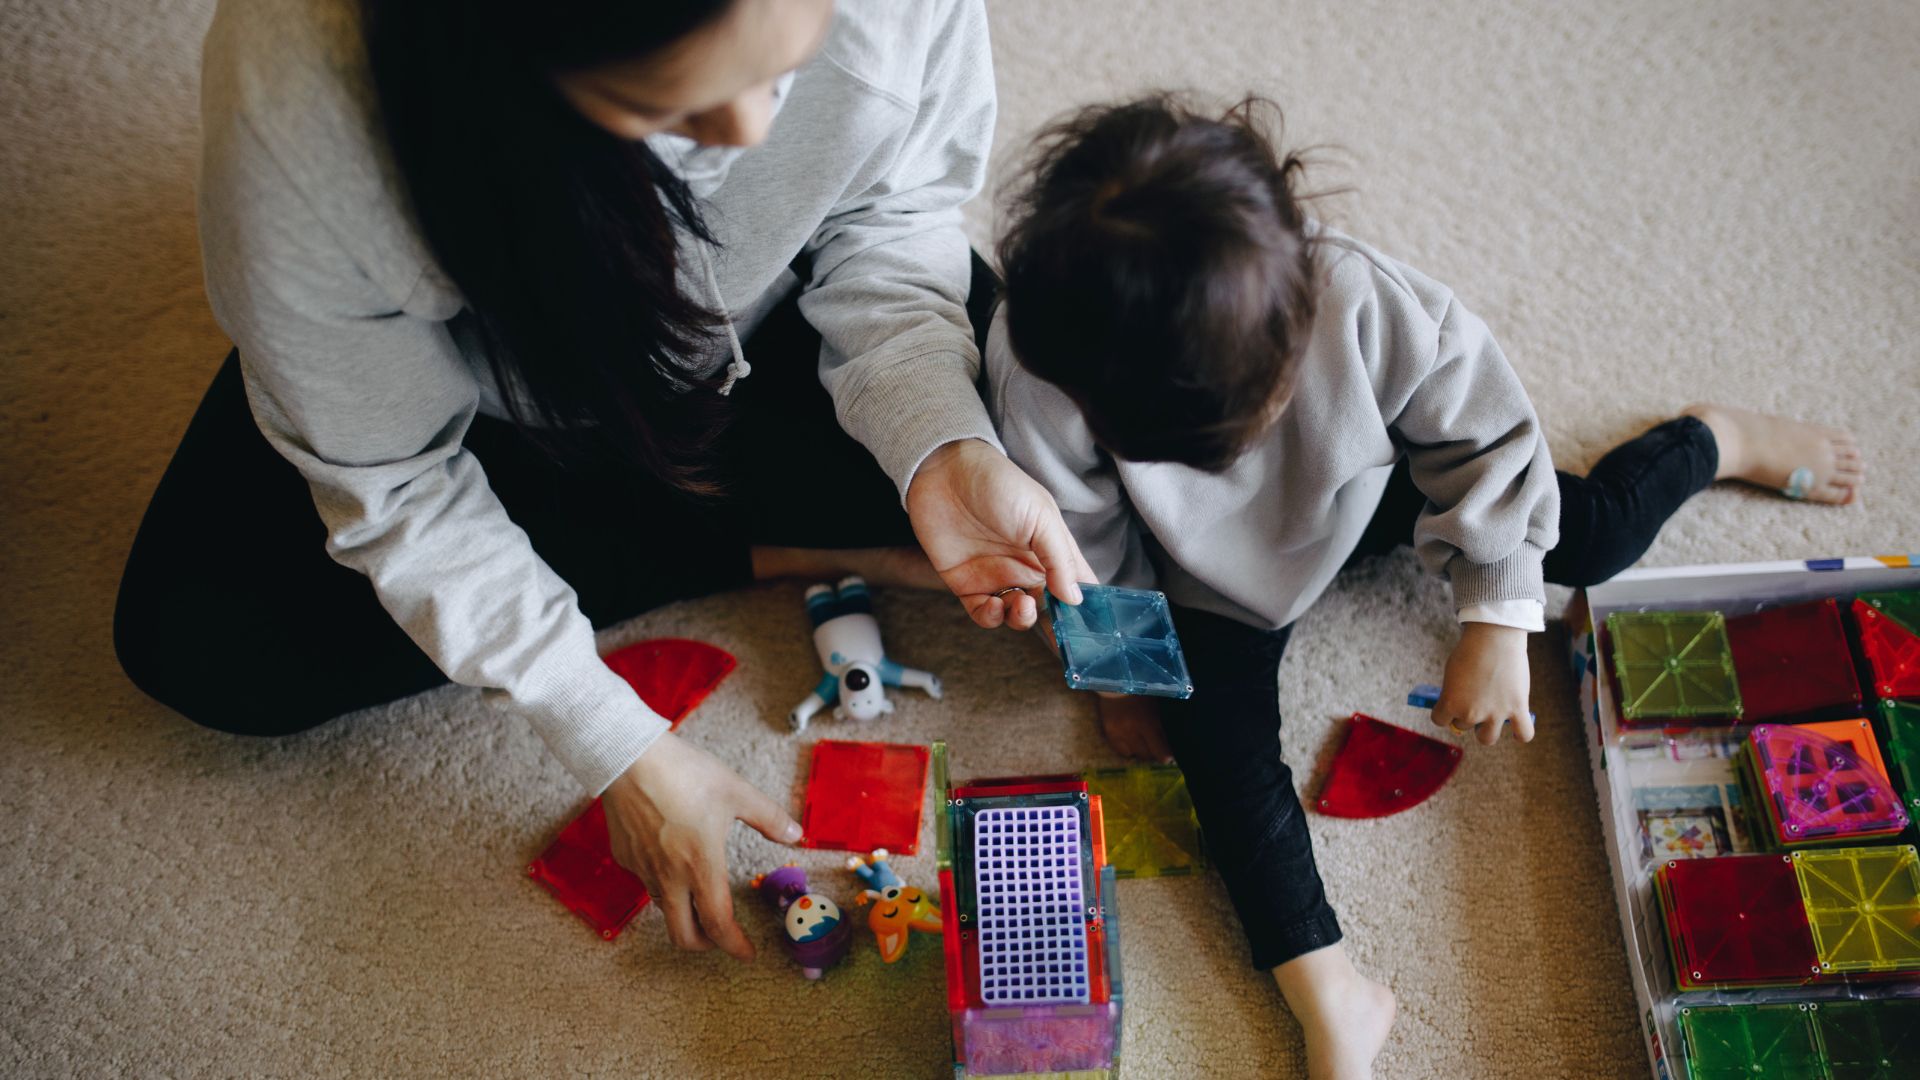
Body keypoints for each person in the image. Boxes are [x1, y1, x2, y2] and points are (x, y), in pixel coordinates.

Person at [113, 0, 1094, 967]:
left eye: (787, 66)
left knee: (1060, 420)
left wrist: (938, 443)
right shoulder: (301, 119)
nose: (755, 132)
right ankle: (767, 542)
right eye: (678, 112)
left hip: (765, 332)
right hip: (499, 401)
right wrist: (612, 739)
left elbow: (891, 209)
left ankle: (737, 533)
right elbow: (395, 480)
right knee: (203, 643)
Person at [984, 95, 1863, 1080]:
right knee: (1218, 759)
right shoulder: (1039, 368)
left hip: (1373, 482)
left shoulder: (1360, 296)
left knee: (1596, 537)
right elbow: (1083, 548)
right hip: (1206, 579)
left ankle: (1710, 439)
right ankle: (1335, 996)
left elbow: (1489, 442)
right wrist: (1120, 674)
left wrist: (1496, 611)